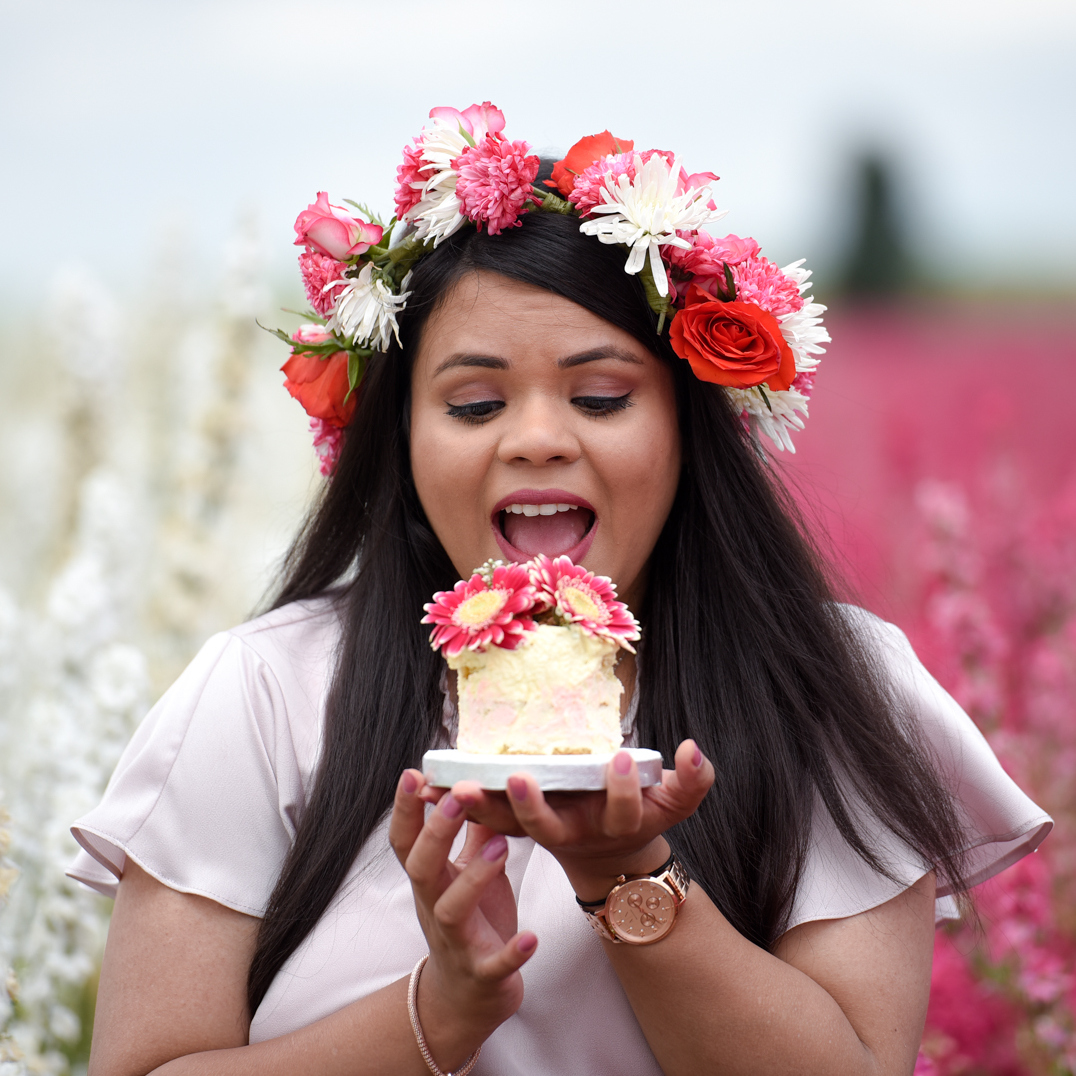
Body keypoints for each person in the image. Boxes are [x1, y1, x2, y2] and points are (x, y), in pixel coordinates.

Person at [69, 105, 1051, 1076]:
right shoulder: (267, 693)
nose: (536, 437)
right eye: (473, 403)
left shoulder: (828, 683)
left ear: (685, 427)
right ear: (401, 440)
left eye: (598, 396)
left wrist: (623, 873)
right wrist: (437, 1013)